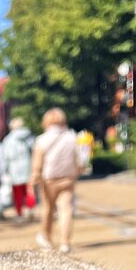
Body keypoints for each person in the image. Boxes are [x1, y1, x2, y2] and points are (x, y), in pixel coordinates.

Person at [30, 107, 81, 253]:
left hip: (49, 180)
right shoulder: (72, 137)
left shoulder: (42, 139)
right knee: (66, 210)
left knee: (48, 209)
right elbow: (78, 159)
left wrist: (35, 175)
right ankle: (65, 242)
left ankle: (47, 237)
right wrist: (76, 173)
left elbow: (37, 162)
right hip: (68, 178)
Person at [1, 118, 35, 222]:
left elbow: (5, 157)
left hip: (14, 169)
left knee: (17, 193)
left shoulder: (8, 140)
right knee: (29, 191)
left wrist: (5, 170)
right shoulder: (28, 137)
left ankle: (19, 213)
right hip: (27, 167)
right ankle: (30, 209)